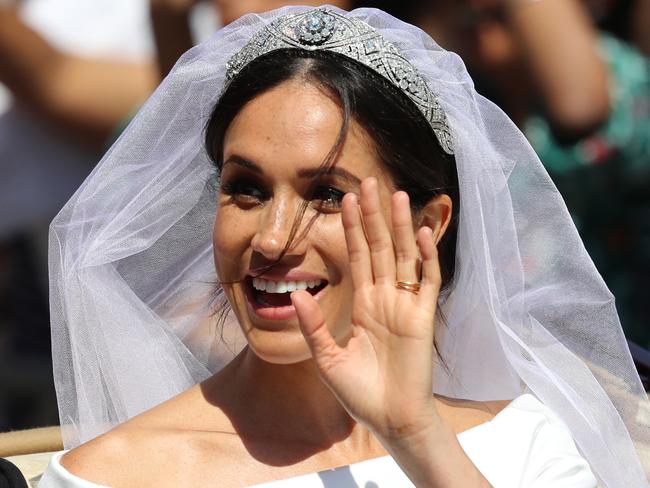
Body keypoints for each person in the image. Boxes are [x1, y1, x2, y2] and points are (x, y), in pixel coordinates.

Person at [39, 6, 648, 487]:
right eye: (245, 189)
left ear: (427, 226)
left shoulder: (526, 446)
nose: (273, 238)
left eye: (327, 195)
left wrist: (415, 436)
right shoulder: (116, 476)